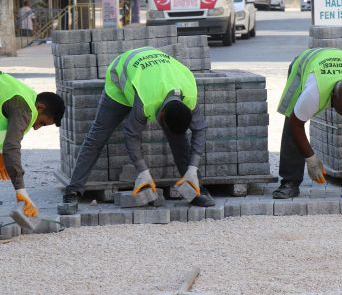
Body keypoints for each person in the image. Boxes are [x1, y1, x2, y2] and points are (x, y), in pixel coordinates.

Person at [57, 47, 213, 215]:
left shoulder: (189, 96)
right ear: (161, 113)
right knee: (97, 136)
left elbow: (200, 129)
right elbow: (131, 133)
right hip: (121, 76)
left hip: (153, 75)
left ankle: (195, 187)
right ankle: (72, 191)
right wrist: (143, 172)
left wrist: (192, 169)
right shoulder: (147, 100)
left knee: (178, 139)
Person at [273, 47, 342, 207]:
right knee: (291, 118)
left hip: (339, 64)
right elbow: (296, 124)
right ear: (333, 98)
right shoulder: (314, 92)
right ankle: (290, 182)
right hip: (306, 64)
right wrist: (311, 159)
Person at [0, 72, 65, 218]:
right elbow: (12, 147)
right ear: (40, 107)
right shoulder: (25, 108)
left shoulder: (26, 95)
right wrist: (21, 190)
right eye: (42, 122)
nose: (36, 128)